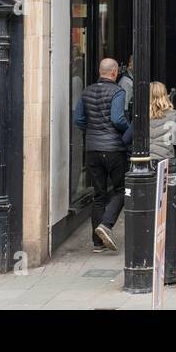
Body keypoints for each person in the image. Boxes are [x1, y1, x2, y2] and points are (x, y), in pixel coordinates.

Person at [73, 57, 129, 252]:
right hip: (113, 149)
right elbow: (117, 118)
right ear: (114, 72)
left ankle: (97, 244)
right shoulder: (117, 91)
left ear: (100, 71)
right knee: (122, 189)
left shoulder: (86, 91)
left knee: (98, 195)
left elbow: (78, 118)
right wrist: (129, 130)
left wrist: (91, 130)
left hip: (92, 149)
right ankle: (106, 224)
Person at [148, 81, 176, 164]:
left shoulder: (140, 115)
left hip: (145, 160)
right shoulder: (172, 115)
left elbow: (126, 138)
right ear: (165, 95)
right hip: (165, 160)